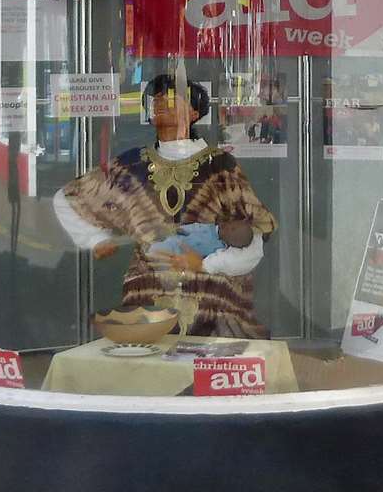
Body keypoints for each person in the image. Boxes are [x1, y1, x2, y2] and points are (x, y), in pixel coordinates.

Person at [54, 72, 277, 338]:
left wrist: (209, 265)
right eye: (156, 98)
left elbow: (255, 237)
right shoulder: (130, 165)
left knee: (205, 375)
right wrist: (94, 238)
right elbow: (69, 198)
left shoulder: (221, 167)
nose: (160, 102)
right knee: (150, 375)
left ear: (194, 113)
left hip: (215, 307)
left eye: (171, 97)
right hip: (147, 303)